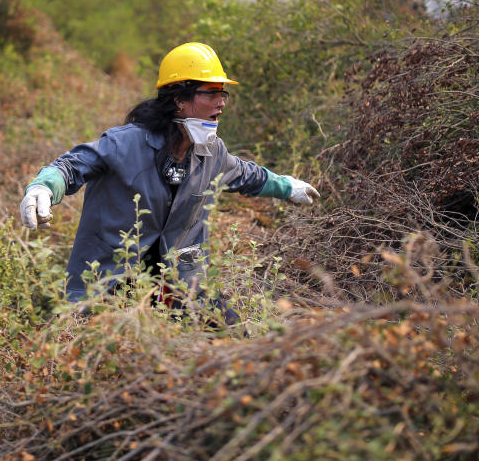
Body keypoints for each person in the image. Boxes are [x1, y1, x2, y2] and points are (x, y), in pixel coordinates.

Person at [19, 42, 319, 321]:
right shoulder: (124, 144)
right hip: (108, 285)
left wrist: (287, 187)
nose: (221, 103)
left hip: (180, 285)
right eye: (210, 93)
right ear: (179, 99)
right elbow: (73, 165)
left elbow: (246, 175)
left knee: (232, 336)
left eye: (222, 94)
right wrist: (44, 187)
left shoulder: (212, 151)